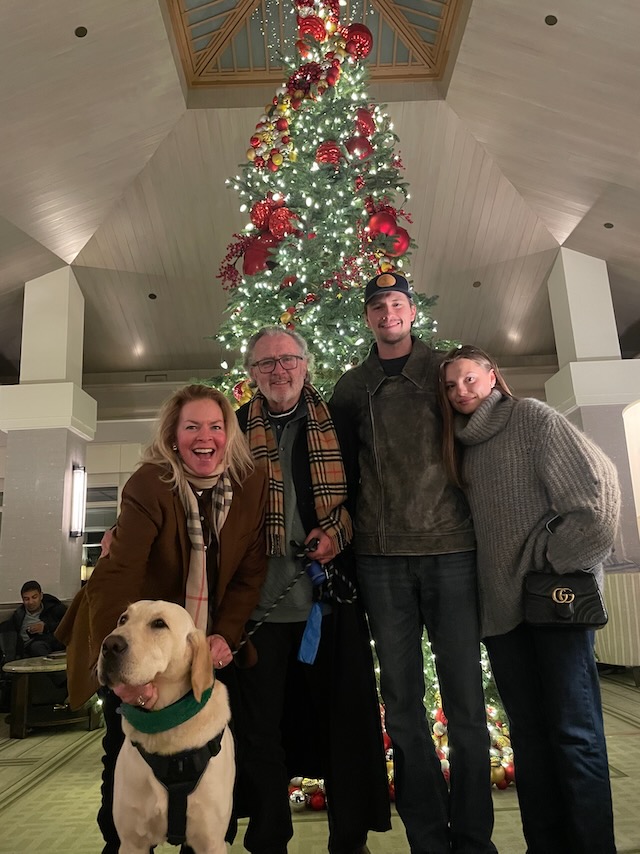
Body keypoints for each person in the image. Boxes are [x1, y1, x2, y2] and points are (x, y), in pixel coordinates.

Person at [56, 384, 268, 854]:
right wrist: (120, 668)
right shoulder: (150, 484)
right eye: (192, 427)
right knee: (122, 756)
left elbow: (250, 574)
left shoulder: (250, 483)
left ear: (229, 434)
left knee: (215, 769)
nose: (205, 437)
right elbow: (119, 573)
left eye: (215, 426)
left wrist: (225, 635)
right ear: (173, 435)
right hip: (142, 635)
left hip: (200, 641)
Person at [329, 273, 496, 854]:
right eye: (377, 306)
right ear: (368, 318)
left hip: (452, 553)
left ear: (411, 311)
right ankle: (428, 839)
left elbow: (487, 434)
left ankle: (473, 840)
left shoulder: (445, 374)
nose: (388, 313)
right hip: (381, 563)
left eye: (396, 303)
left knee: (466, 706)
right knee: (401, 709)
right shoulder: (352, 387)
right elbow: (336, 472)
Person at [439, 344, 620, 854]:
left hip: (556, 605)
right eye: (451, 386)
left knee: (575, 735)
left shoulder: (532, 418)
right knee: (530, 739)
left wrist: (553, 559)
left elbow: (599, 495)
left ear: (492, 376)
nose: (461, 391)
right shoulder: (459, 445)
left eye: (469, 379)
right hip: (503, 613)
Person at [228, 326, 390, 854]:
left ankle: (350, 839)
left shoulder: (339, 421)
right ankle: (268, 837)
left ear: (305, 364)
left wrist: (337, 532)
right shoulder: (232, 428)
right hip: (258, 608)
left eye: (288, 359)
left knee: (343, 725)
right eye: (266, 363)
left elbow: (369, 493)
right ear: (252, 374)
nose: (279, 370)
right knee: (260, 732)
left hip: (330, 600)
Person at [0, 580, 67, 660]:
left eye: (34, 597)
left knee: (37, 647)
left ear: (41, 596)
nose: (31, 602)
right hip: (22, 648)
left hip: (46, 643)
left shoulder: (55, 609)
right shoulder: (19, 614)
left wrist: (45, 627)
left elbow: (67, 626)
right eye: (26, 599)